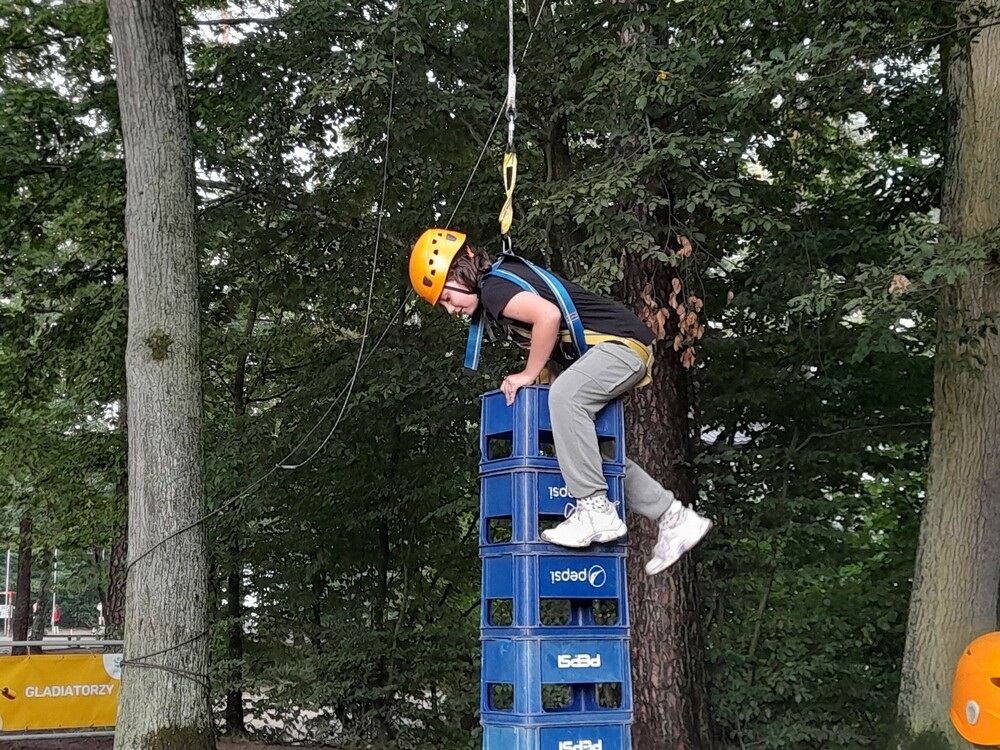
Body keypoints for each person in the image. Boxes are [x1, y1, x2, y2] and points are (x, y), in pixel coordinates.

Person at [409, 228, 712, 574]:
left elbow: (549, 317)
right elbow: (554, 343)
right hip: (616, 350)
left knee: (566, 397)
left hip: (621, 347)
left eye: (446, 297)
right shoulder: (500, 290)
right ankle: (675, 517)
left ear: (459, 273)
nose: (450, 309)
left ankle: (595, 510)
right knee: (595, 456)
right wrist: (542, 381)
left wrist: (527, 374)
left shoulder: (494, 288)